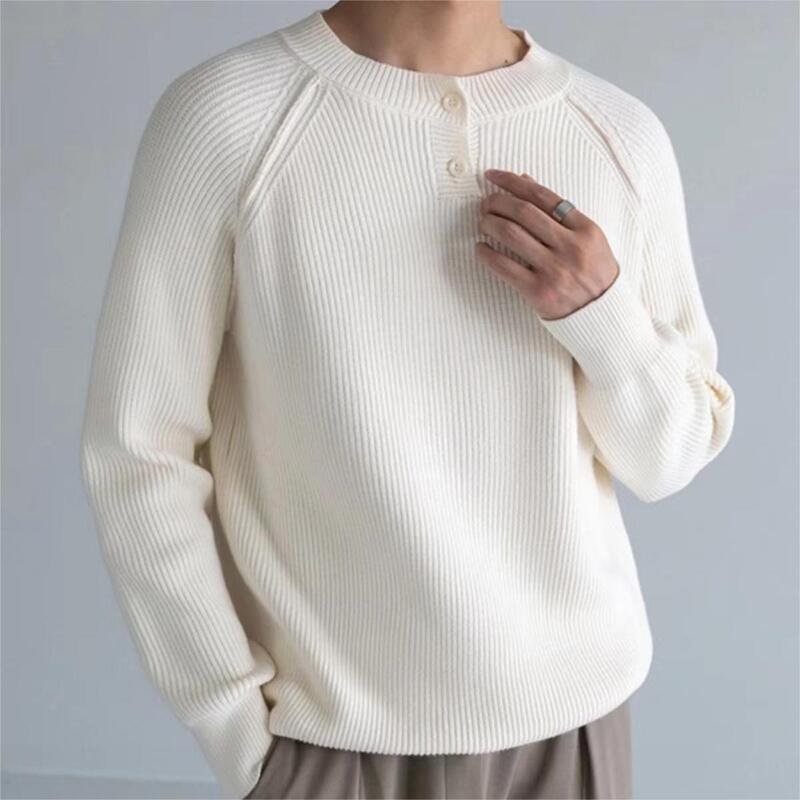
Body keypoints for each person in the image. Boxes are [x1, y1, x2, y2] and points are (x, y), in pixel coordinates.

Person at [79, 2, 736, 798]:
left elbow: (669, 459)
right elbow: (139, 451)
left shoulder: (617, 134)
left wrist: (604, 316)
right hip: (333, 743)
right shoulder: (231, 117)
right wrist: (233, 724)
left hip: (573, 730)